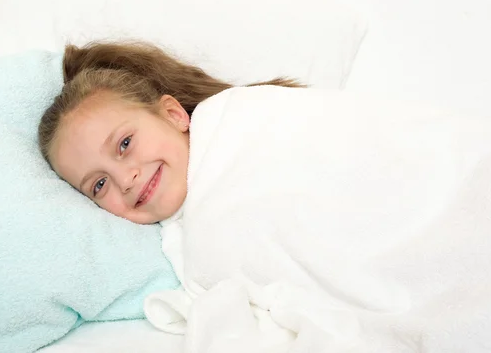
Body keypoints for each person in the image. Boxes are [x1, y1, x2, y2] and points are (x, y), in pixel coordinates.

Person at [38, 41, 304, 224]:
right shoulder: (175, 251)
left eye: (124, 143)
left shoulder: (251, 116)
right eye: (99, 184)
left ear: (173, 115)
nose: (125, 180)